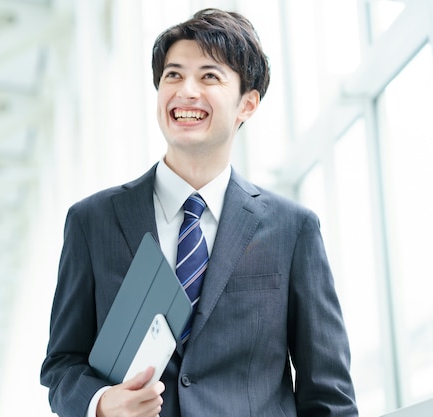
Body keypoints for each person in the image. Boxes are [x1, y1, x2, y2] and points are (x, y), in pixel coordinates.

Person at [40, 8, 358, 417]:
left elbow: (328, 394)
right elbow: (62, 364)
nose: (186, 90)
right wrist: (100, 403)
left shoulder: (292, 230)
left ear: (248, 104)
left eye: (209, 76)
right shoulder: (92, 222)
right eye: (173, 75)